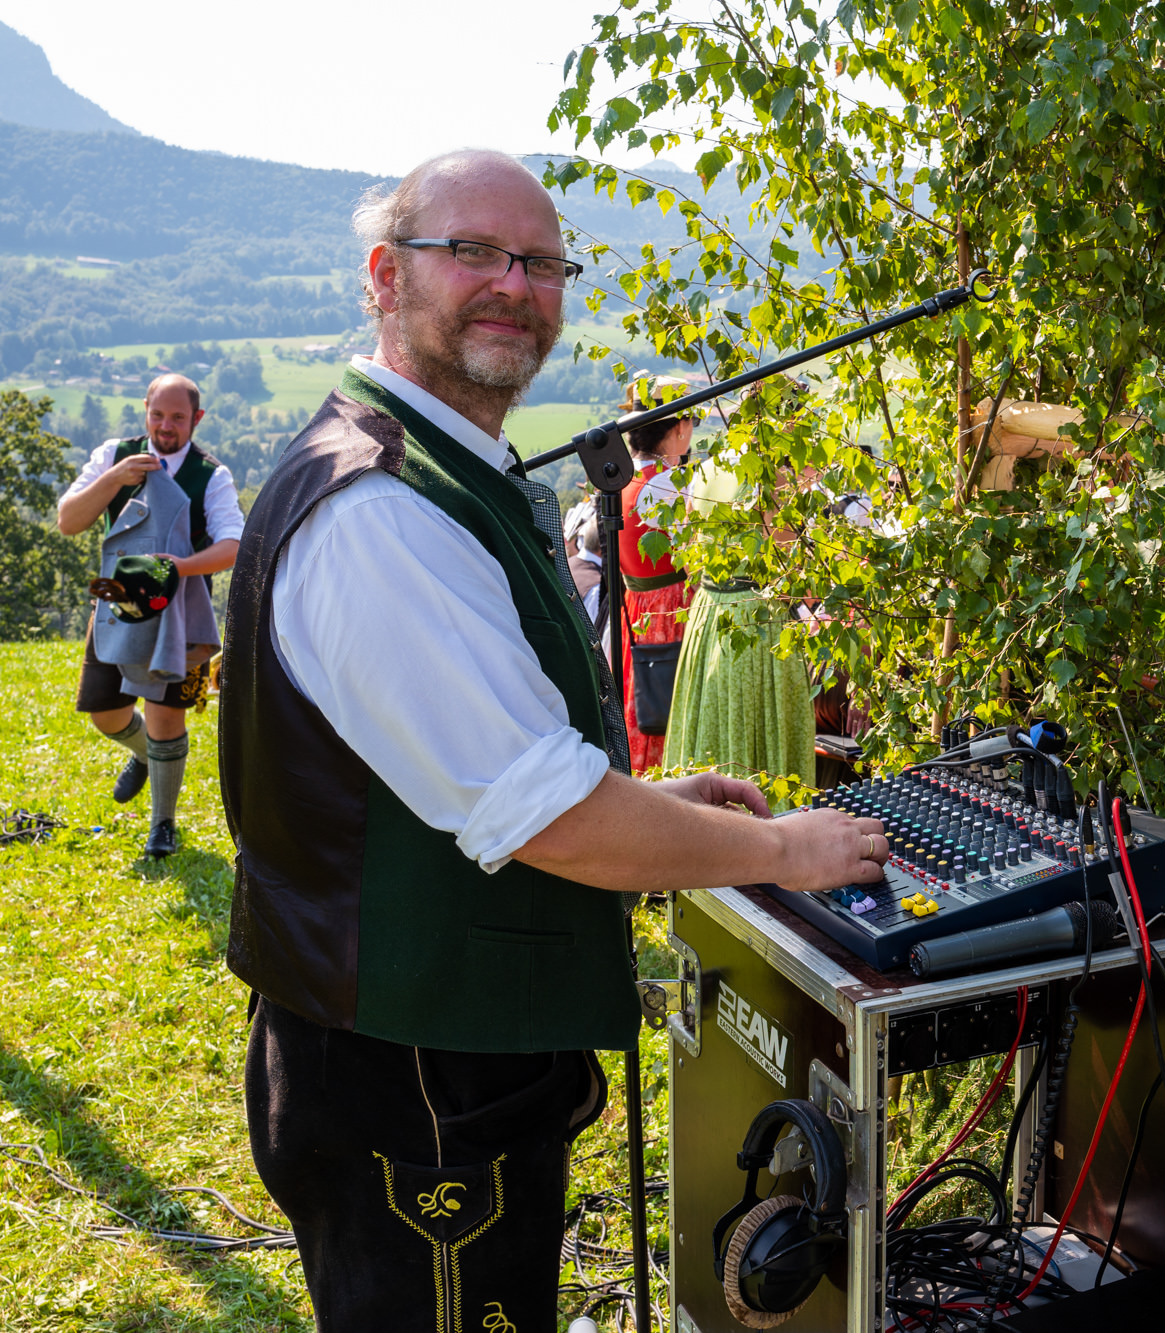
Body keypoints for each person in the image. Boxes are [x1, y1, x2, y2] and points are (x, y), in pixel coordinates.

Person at [216, 148, 888, 1333]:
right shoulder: (380, 509)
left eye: (539, 263)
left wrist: (656, 804)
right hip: (414, 1084)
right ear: (385, 275)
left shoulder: (426, 468)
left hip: (428, 1061)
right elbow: (548, 814)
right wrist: (786, 850)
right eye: (471, 251)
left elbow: (483, 758)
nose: (512, 285)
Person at [56, 373, 242, 858]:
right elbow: (68, 521)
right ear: (145, 409)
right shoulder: (113, 455)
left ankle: (163, 825)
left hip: (182, 611)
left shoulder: (211, 475)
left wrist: (178, 567)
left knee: (166, 717)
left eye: (178, 417)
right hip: (118, 603)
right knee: (105, 713)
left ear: (197, 419)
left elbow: (233, 546)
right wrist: (113, 479)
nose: (165, 426)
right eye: (157, 415)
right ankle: (145, 757)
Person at [661, 380, 818, 795]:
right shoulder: (775, 476)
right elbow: (790, 569)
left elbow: (693, 555)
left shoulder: (706, 469)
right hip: (756, 618)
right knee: (761, 729)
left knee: (709, 722)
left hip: (708, 612)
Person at [617, 383, 697, 774]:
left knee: (643, 697)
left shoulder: (622, 480)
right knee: (669, 702)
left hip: (636, 607)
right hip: (670, 608)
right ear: (679, 427)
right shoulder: (670, 486)